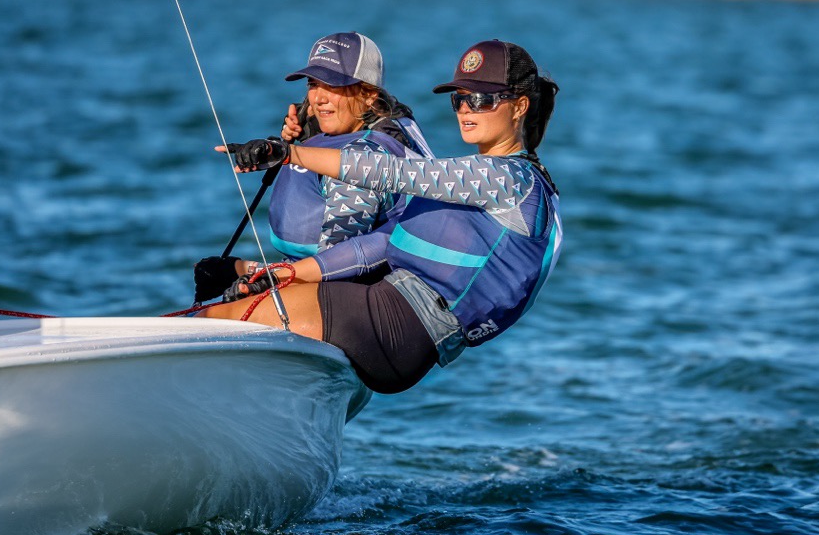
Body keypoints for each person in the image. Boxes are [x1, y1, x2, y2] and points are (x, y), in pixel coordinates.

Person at [201, 39, 562, 396]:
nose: (466, 110)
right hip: (393, 321)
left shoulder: (509, 178)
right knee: (226, 292)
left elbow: (389, 172)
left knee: (209, 323)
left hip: (394, 323)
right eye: (459, 99)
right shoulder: (486, 178)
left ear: (520, 106)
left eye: (482, 100)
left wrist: (287, 153)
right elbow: (377, 246)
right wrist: (267, 273)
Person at [193, 31, 431, 303]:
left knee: (229, 301)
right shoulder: (386, 122)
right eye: (313, 84)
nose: (318, 99)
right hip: (330, 279)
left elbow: (335, 270)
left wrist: (257, 276)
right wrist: (290, 140)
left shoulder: (362, 161)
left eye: (333, 86)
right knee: (217, 274)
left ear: (369, 94)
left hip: (368, 294)